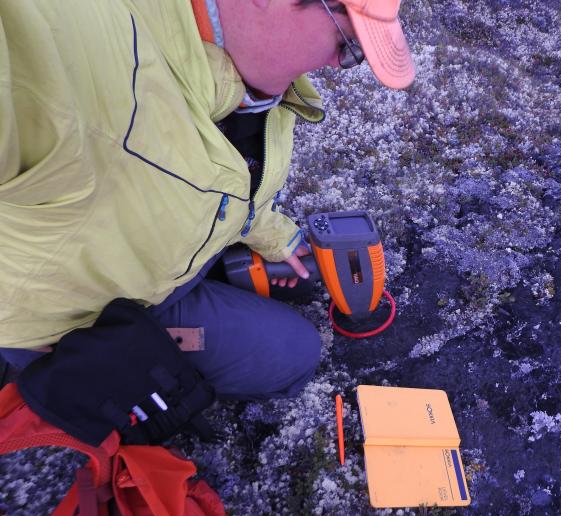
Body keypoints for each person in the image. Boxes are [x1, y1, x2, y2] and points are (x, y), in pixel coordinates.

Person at [0, 0, 415, 398]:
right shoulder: (46, 60)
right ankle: (72, 381)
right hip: (78, 319)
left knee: (295, 287)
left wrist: (270, 232)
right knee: (292, 354)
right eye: (347, 45)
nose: (334, 66)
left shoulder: (246, 61)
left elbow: (215, 174)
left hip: (168, 253)